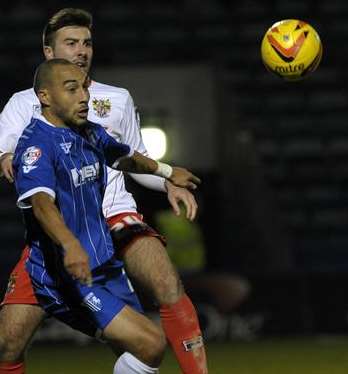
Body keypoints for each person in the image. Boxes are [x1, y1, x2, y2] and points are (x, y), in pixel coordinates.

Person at [0, 8, 207, 374]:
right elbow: (34, 189)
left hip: (108, 222)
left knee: (157, 310)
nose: (81, 51)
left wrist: (168, 175)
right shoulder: (28, 119)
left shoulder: (99, 115)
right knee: (8, 343)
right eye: (71, 43)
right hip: (62, 240)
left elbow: (128, 156)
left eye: (87, 43)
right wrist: (8, 157)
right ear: (48, 54)